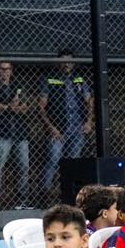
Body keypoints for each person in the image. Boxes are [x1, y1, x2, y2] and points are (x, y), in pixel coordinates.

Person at [38, 50, 94, 193]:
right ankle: (44, 192)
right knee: (53, 160)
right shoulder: (50, 78)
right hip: (59, 128)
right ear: (58, 62)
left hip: (77, 127)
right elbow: (41, 106)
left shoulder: (79, 79)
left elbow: (89, 101)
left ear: (73, 63)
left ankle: (70, 193)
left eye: (69, 60)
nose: (67, 64)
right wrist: (51, 127)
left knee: (73, 162)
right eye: (63, 60)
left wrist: (88, 121)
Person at [0, 61, 30, 209]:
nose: (4, 72)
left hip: (20, 133)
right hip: (0, 133)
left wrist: (5, 106)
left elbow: (24, 108)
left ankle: (22, 202)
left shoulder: (18, 85)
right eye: (1, 69)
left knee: (23, 167)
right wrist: (11, 106)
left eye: (7, 69)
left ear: (11, 71)